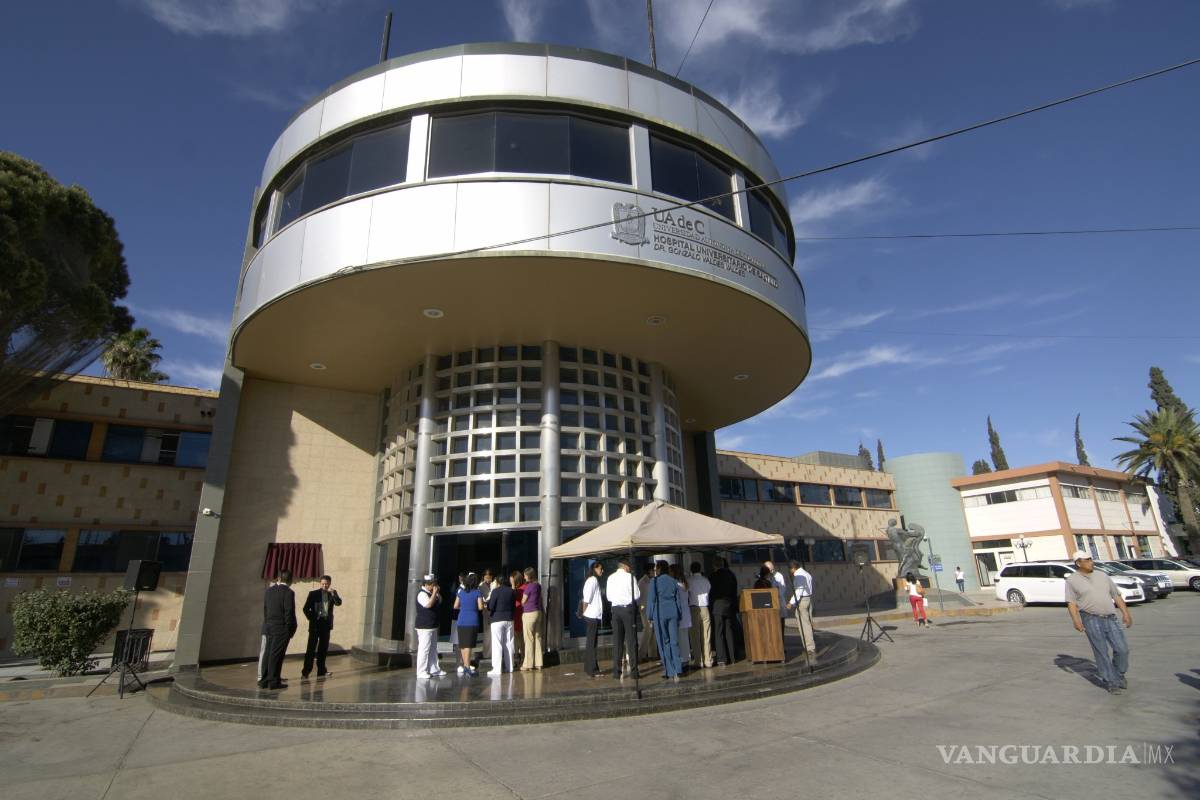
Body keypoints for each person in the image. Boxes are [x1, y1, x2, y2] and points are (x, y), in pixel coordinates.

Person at [1066, 550, 1132, 694]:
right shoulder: (1072, 580)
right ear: (1078, 563)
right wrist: (1076, 620)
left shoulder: (1102, 576)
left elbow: (1116, 596)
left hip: (1111, 618)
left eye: (1091, 559)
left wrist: (1126, 613)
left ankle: (1119, 673)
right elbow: (1071, 603)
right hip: (1090, 619)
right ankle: (1111, 681)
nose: (1091, 562)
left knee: (1122, 649)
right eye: (1087, 560)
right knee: (1101, 652)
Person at [259, 569, 297, 690]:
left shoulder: (269, 591)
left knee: (267, 654)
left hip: (268, 626)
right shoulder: (288, 592)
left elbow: (265, 609)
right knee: (276, 655)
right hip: (281, 628)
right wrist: (289, 629)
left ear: (279, 578)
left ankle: (264, 680)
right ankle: (274, 681)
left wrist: (268, 623)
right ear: (290, 580)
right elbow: (289, 612)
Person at [647, 561, 684, 681]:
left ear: (659, 568)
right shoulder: (673, 581)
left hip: (660, 612)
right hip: (673, 611)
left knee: (664, 642)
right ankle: (678, 669)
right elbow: (678, 599)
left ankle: (669, 670)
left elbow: (651, 600)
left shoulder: (654, 581)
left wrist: (649, 616)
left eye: (656, 567)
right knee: (674, 641)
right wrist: (679, 614)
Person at [301, 574, 342, 678]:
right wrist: (312, 619)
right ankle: (306, 672)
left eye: (327, 584)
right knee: (310, 649)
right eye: (323, 584)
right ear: (320, 583)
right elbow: (305, 609)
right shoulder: (313, 594)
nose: (325, 586)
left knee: (323, 650)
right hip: (315, 626)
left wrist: (333, 594)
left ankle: (321, 671)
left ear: (329, 584)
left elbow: (339, 603)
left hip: (326, 626)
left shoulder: (332, 593)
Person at [605, 558, 640, 679]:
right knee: (631, 640)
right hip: (627, 610)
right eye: (629, 566)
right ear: (625, 566)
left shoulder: (610, 578)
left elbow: (609, 597)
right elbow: (637, 595)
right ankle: (634, 672)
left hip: (615, 610)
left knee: (617, 641)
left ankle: (616, 671)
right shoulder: (630, 577)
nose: (630, 568)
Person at [709, 556, 738, 666]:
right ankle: (733, 656)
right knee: (729, 631)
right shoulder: (731, 575)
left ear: (714, 565)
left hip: (717, 605)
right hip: (729, 605)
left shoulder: (713, 576)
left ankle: (722, 658)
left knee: (718, 632)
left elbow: (710, 592)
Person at [414, 574, 445, 678]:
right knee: (424, 648)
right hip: (424, 626)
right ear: (427, 585)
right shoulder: (422, 594)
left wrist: (437, 593)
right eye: (432, 584)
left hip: (432, 625)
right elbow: (428, 604)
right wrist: (434, 593)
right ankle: (421, 671)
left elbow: (440, 601)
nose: (434, 586)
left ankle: (434, 669)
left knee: (433, 648)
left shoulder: (431, 593)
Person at [578, 561, 605, 678]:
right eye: (600, 569)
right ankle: (592, 669)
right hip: (592, 615)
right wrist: (584, 612)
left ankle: (590, 667)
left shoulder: (592, 580)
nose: (602, 571)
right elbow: (587, 599)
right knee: (592, 642)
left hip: (592, 615)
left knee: (591, 642)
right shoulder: (592, 580)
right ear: (595, 568)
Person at [454, 573, 484, 676]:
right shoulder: (477, 592)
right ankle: (467, 666)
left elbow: (455, 606)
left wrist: (464, 608)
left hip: (461, 620)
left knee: (462, 645)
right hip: (472, 620)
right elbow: (480, 607)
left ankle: (466, 666)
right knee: (469, 645)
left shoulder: (461, 592)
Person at [486, 574, 516, 675]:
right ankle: (510, 667)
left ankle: (496, 669)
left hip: (497, 619)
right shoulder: (511, 591)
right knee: (509, 643)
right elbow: (513, 605)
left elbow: (491, 606)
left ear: (498, 582)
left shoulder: (495, 591)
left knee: (497, 644)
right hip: (509, 619)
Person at [787, 560, 816, 656]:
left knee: (804, 625)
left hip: (802, 601)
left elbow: (799, 591)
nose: (790, 572)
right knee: (808, 623)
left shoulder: (799, 576)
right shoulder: (806, 573)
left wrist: (791, 603)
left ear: (793, 568)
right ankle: (810, 646)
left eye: (790, 569)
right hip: (808, 599)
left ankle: (809, 648)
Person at [687, 562, 713, 669]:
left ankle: (699, 661)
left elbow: (687, 593)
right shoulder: (706, 580)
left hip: (694, 608)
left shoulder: (689, 580)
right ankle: (708, 660)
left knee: (695, 636)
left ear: (691, 570)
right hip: (705, 608)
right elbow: (708, 590)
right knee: (706, 635)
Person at [520, 567, 544, 670]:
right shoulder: (538, 585)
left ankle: (528, 664)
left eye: (525, 575)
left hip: (529, 613)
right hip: (538, 612)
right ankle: (539, 663)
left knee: (529, 639)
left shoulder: (528, 587)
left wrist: (522, 601)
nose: (524, 576)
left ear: (529, 576)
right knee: (538, 637)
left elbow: (523, 600)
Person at [669, 564, 692, 666]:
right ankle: (686, 656)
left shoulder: (675, 584)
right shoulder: (685, 582)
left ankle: (681, 658)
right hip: (686, 611)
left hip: (678, 611)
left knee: (677, 636)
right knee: (685, 636)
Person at [257, 573, 278, 685]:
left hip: (273, 628)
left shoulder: (273, 592)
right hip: (269, 627)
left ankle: (270, 675)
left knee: (271, 652)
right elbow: (266, 611)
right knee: (265, 651)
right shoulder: (270, 592)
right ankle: (261, 676)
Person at [637, 564, 657, 662]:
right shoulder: (642, 582)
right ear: (648, 571)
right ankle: (641, 654)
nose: (654, 571)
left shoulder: (653, 580)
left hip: (652, 608)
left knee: (653, 630)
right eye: (653, 570)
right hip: (645, 608)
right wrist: (641, 607)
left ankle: (653, 654)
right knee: (648, 629)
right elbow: (638, 597)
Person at [764, 560, 789, 631]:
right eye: (769, 570)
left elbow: (782, 590)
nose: (771, 571)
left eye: (772, 569)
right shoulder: (765, 577)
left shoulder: (779, 576)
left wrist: (774, 593)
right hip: (768, 605)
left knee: (780, 627)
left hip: (779, 603)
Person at [510, 570, 525, 663]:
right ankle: (517, 656)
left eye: (512, 580)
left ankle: (522, 656)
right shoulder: (518, 588)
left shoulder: (521, 589)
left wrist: (512, 587)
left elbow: (513, 596)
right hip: (515, 614)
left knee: (519, 637)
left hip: (519, 614)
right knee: (516, 637)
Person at [479, 568, 494, 659]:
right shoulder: (481, 586)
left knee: (493, 633)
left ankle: (492, 652)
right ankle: (487, 653)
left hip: (493, 610)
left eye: (489, 578)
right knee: (487, 632)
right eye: (486, 577)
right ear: (483, 577)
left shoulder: (493, 585)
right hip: (486, 610)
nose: (488, 580)